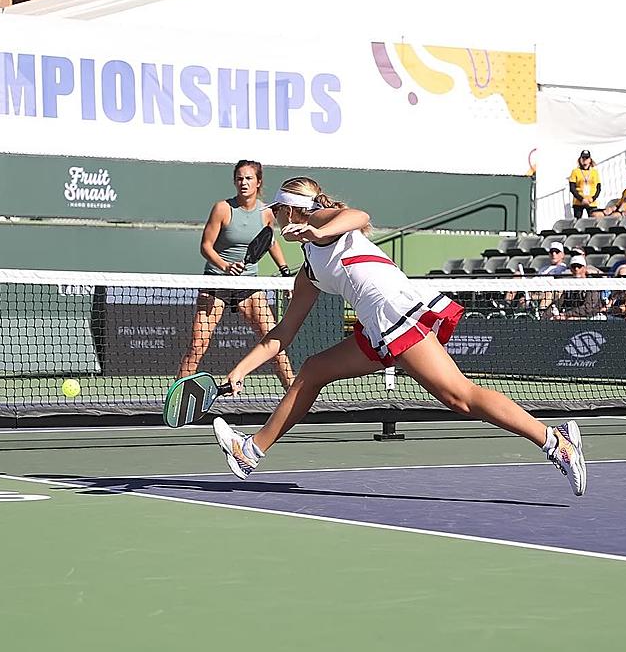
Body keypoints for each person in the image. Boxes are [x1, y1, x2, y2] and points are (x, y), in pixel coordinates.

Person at [209, 176, 587, 495]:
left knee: (461, 397)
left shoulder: (323, 226)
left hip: (396, 313)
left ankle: (556, 443)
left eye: (277, 210)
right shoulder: (307, 273)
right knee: (312, 371)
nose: (275, 218)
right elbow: (282, 333)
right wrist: (240, 370)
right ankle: (251, 450)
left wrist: (318, 227)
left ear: (293, 210)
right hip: (377, 327)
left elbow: (359, 216)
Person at [177, 160, 295, 389]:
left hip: (248, 285)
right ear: (234, 181)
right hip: (216, 282)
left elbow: (269, 242)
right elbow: (206, 246)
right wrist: (225, 266)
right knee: (198, 344)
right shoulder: (222, 208)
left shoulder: (267, 213)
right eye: (240, 178)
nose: (244, 182)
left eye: (249, 178)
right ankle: (178, 398)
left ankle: (294, 395)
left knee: (274, 341)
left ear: (258, 182)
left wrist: (285, 274)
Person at [568, 150, 601, 217]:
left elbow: (598, 188)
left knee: (593, 220)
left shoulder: (595, 172)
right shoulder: (575, 171)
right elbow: (572, 188)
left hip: (591, 201)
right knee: (578, 221)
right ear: (580, 159)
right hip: (578, 201)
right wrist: (581, 199)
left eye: (587, 158)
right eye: (583, 158)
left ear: (590, 160)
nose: (584, 160)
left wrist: (593, 198)